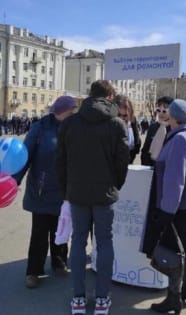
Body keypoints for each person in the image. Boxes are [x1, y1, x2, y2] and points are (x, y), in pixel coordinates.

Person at [56, 80, 130, 315]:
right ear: (110, 96)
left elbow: (60, 162)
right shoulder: (117, 124)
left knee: (77, 241)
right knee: (104, 242)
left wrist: (66, 190)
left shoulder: (69, 123)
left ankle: (78, 298)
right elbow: (122, 163)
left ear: (90, 95)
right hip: (104, 193)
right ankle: (101, 299)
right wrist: (114, 185)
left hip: (76, 192)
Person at [141, 99, 186, 314]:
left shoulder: (179, 140)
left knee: (172, 252)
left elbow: (175, 179)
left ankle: (173, 298)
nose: (164, 115)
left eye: (168, 113)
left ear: (176, 118)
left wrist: (165, 212)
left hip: (177, 207)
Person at [13, 96, 77, 289]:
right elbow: (25, 155)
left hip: (64, 190)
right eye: (71, 111)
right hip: (41, 188)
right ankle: (33, 271)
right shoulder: (40, 128)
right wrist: (14, 180)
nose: (74, 114)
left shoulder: (73, 129)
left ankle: (59, 262)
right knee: (39, 232)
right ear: (61, 110)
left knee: (61, 228)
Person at [141, 96, 174, 166]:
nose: (161, 113)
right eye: (159, 110)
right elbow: (145, 149)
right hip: (151, 167)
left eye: (165, 110)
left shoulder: (174, 128)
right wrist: (146, 165)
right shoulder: (153, 127)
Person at [115, 95, 141, 164]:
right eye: (118, 115)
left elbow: (136, 145)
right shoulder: (108, 128)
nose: (121, 119)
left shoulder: (133, 124)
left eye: (125, 116)